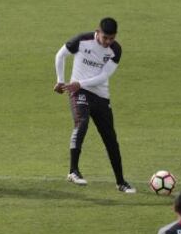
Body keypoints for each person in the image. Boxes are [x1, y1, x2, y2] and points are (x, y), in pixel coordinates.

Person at [54, 17, 136, 193]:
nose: (108, 42)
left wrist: (80, 83)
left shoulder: (116, 50)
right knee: (81, 122)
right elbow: (60, 55)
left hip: (100, 95)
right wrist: (61, 81)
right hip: (79, 93)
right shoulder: (82, 40)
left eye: (111, 38)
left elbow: (104, 76)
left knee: (110, 138)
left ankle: (121, 182)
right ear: (97, 32)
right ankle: (73, 171)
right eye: (105, 37)